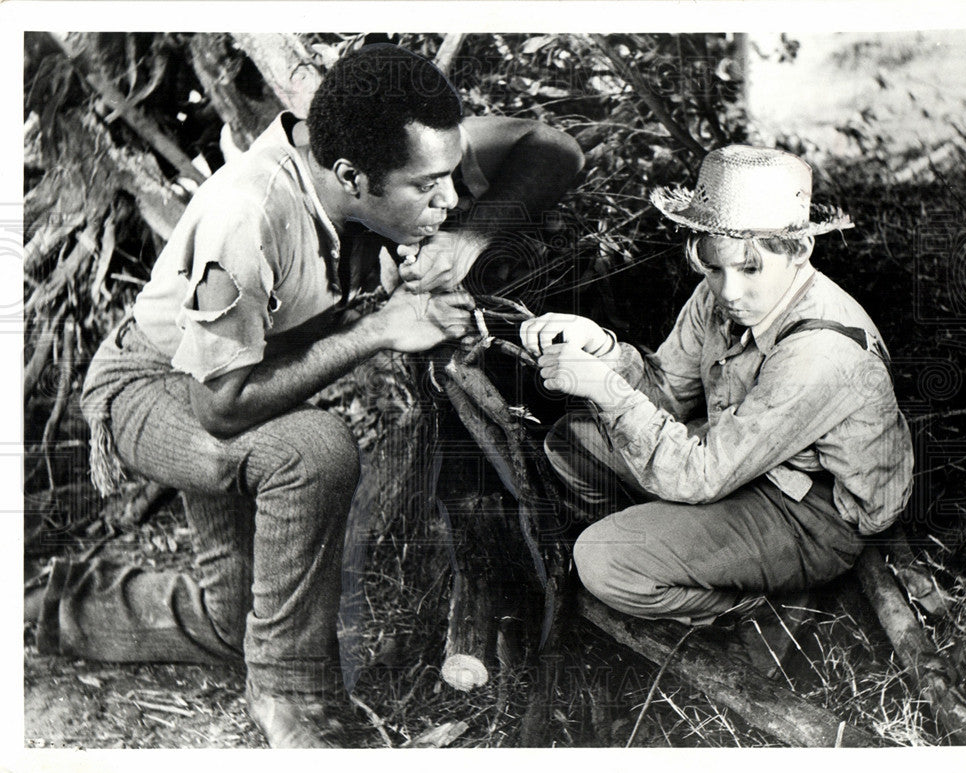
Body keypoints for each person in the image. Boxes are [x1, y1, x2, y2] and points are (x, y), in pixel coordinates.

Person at [27, 44, 583, 748]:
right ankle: (292, 692)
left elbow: (554, 148)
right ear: (350, 175)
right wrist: (381, 327)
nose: (447, 198)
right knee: (313, 451)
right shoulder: (248, 214)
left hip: (239, 369)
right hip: (156, 386)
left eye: (450, 179)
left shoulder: (390, 142)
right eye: (429, 187)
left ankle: (54, 605)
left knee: (237, 622)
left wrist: (467, 240)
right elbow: (219, 406)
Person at [520, 145, 913, 627]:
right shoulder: (718, 296)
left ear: (800, 251)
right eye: (713, 267)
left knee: (604, 560)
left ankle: (752, 616)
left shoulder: (820, 350)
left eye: (751, 268)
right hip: (741, 460)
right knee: (573, 441)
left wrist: (605, 389)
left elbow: (700, 475)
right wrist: (601, 348)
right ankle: (676, 552)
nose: (729, 291)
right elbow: (666, 389)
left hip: (813, 515)